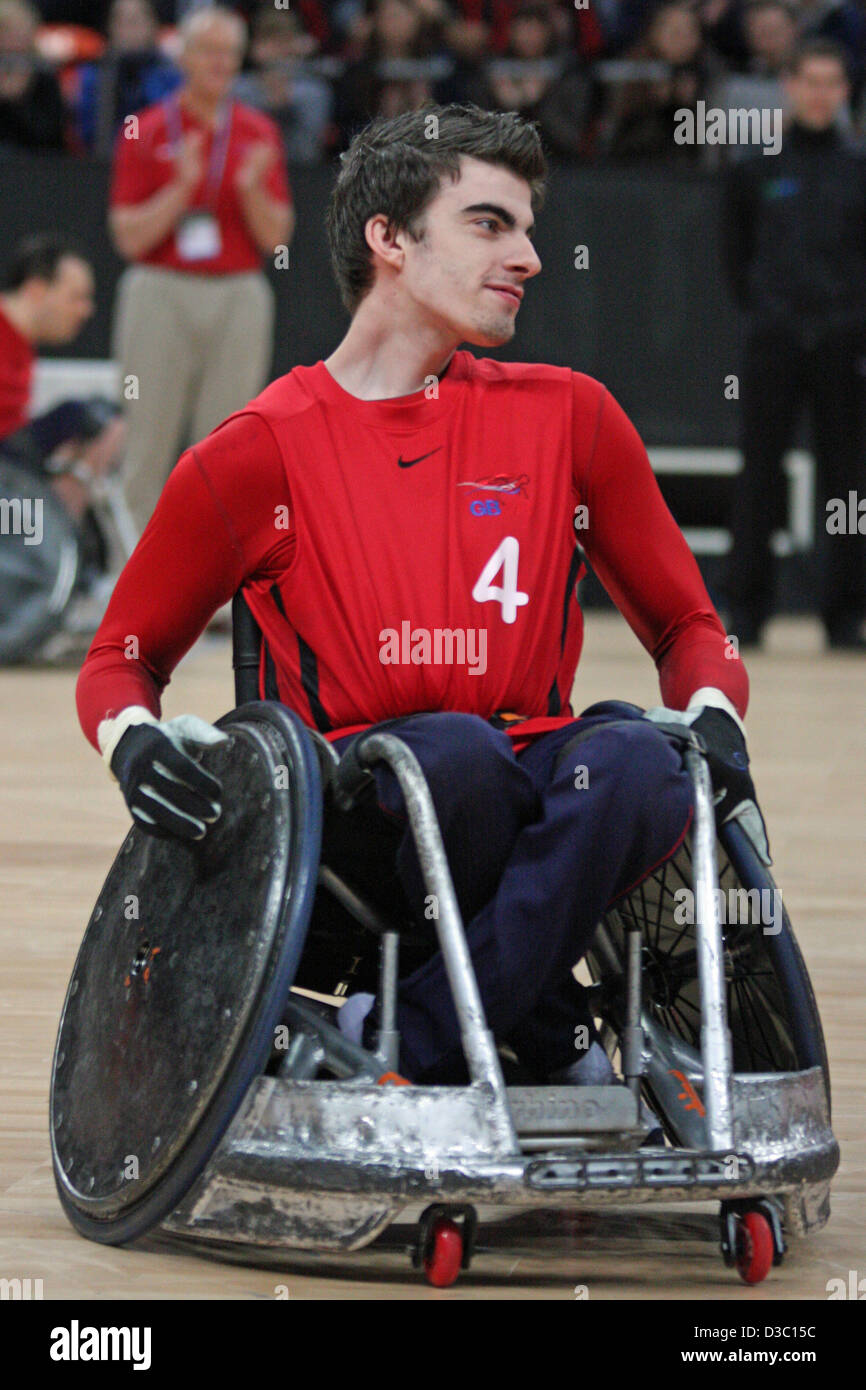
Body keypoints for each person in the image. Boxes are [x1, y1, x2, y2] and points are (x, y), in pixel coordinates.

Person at [77, 102, 766, 1087]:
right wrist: (131, 740)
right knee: (449, 753)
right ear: (388, 239)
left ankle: (406, 1038)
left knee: (635, 763)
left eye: (528, 228)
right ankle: (549, 1029)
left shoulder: (571, 414)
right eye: (490, 223)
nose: (528, 256)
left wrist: (709, 706)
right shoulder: (256, 450)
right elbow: (120, 660)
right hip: (357, 802)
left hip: (530, 762)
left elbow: (689, 626)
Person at [108, 5, 294, 536]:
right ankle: (135, 586)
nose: (220, 62)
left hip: (237, 293)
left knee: (226, 445)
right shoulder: (146, 129)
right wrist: (181, 188)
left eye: (230, 53)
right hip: (160, 290)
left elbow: (276, 237)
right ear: (184, 56)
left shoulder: (258, 133)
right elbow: (128, 238)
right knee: (147, 439)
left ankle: (208, 589)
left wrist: (251, 189)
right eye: (208, 50)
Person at [722, 38, 866, 649]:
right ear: (788, 86)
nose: (820, 93)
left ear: (846, 92)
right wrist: (769, 314)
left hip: (845, 343)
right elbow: (735, 260)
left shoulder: (859, 170)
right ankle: (748, 612)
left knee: (850, 482)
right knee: (759, 474)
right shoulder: (754, 169)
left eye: (832, 82)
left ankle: (847, 615)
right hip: (774, 340)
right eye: (809, 80)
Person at [0, 234, 124, 553]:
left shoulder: (18, 342)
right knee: (93, 420)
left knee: (99, 419)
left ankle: (54, 545)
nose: (87, 311)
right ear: (37, 291)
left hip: (13, 457)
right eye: (76, 297)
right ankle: (53, 546)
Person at [69, 0, 182, 156]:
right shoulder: (94, 73)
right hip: (104, 165)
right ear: (110, 27)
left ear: (153, 24)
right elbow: (87, 133)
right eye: (120, 21)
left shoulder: (172, 74)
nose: (128, 29)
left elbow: (171, 127)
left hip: (156, 162)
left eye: (135, 21)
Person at [0, 0, 65, 153]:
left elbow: (51, 136)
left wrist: (19, 102)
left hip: (36, 163)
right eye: (5, 31)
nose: (12, 40)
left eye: (18, 32)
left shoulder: (44, 74)